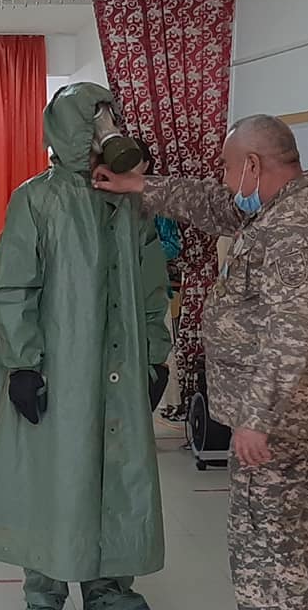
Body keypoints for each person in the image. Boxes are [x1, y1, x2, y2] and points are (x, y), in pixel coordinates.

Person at [93, 114, 308, 610]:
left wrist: (256, 420)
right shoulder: (272, 209)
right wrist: (139, 185)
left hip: (277, 419)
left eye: (227, 168)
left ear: (252, 164)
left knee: (269, 549)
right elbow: (211, 203)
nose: (225, 180)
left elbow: (288, 334)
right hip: (271, 412)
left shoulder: (298, 228)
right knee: (287, 540)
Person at [0, 82, 164, 610]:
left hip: (121, 367)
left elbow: (152, 284)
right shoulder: (37, 198)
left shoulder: (131, 203)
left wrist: (154, 355)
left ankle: (111, 589)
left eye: (110, 117)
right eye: (94, 120)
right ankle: (45, 588)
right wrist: (23, 364)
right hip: (61, 369)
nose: (106, 131)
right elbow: (8, 286)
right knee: (55, 471)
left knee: (117, 471)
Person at [134, 140, 175, 412]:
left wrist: (144, 254)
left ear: (146, 165)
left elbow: (172, 244)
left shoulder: (155, 201)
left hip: (151, 290)